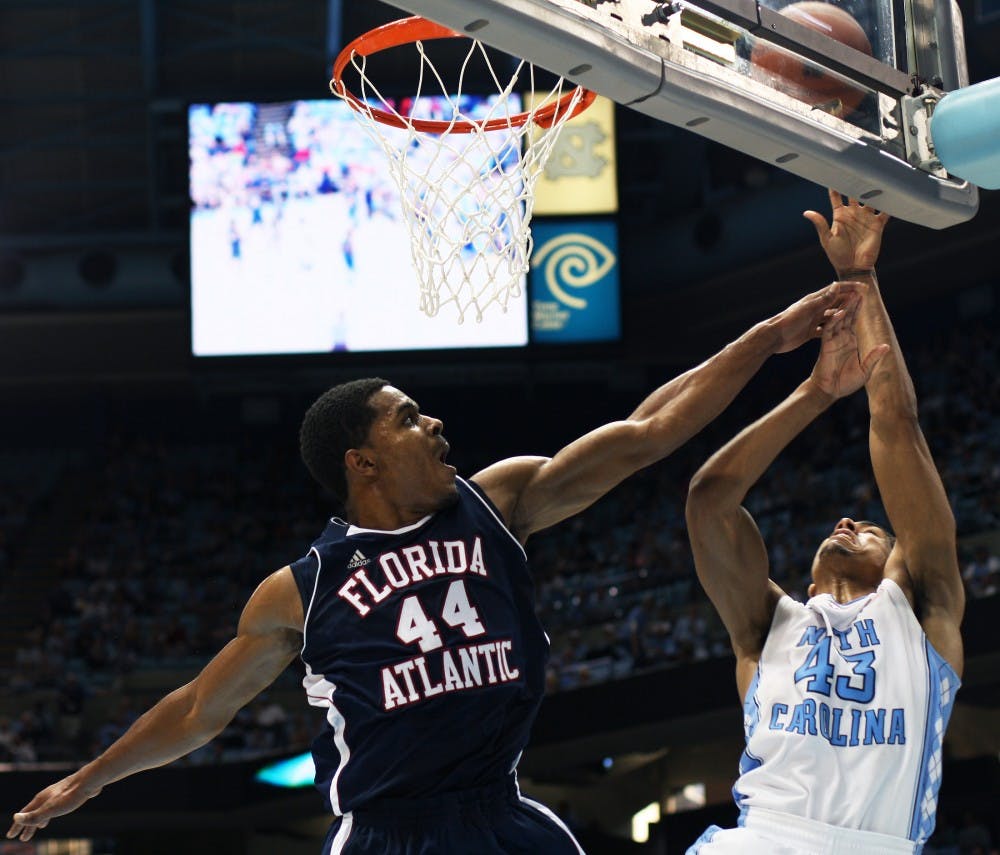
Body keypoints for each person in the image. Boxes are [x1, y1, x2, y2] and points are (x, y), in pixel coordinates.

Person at [7, 281, 860, 853]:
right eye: (409, 419)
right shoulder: (301, 588)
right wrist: (87, 779)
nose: (436, 423)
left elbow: (647, 433)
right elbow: (198, 710)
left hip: (503, 810)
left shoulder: (500, 502)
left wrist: (770, 339)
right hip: (392, 832)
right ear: (361, 462)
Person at [684, 192, 964, 855]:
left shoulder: (919, 608)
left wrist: (861, 281)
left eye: (871, 526)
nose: (847, 520)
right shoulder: (765, 626)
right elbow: (709, 498)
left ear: (900, 559)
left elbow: (896, 424)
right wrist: (813, 392)